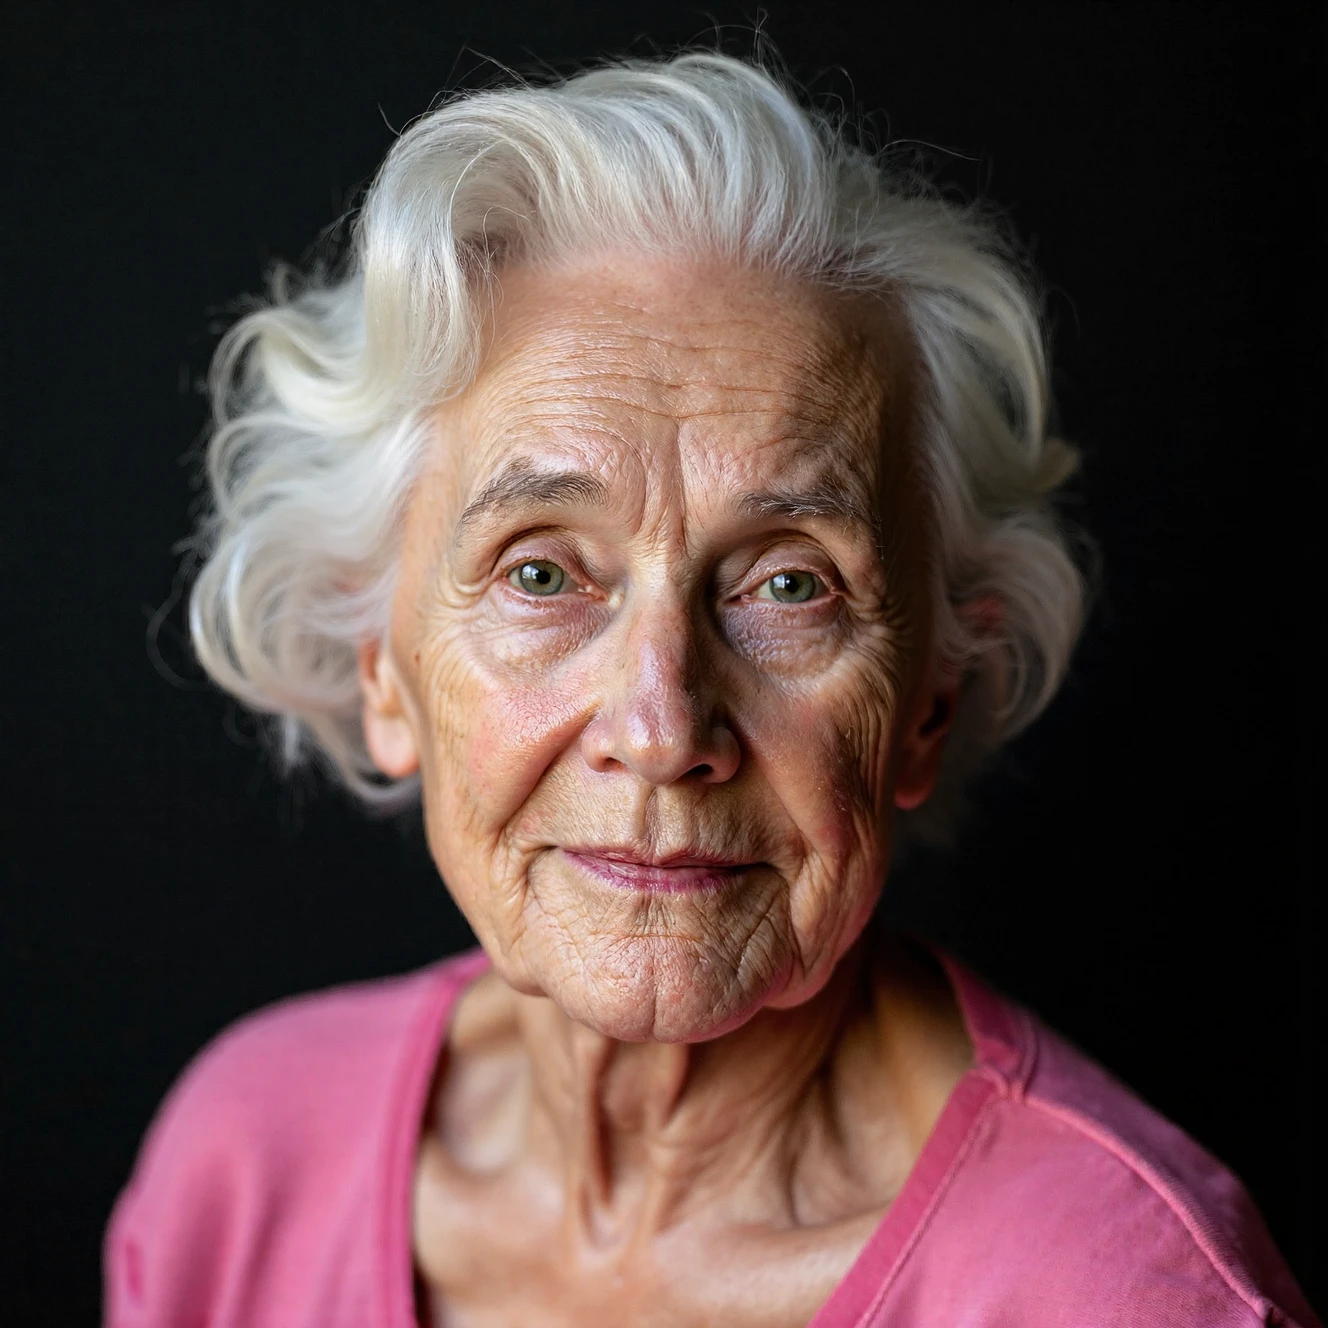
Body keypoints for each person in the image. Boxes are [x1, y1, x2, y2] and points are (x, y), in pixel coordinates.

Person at [104, 52, 1317, 1328]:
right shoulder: (242, 1166)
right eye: (539, 570)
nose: (662, 726)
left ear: (930, 699)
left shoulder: (1122, 1294)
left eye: (789, 586)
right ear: (381, 672)